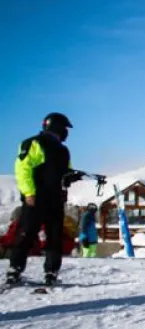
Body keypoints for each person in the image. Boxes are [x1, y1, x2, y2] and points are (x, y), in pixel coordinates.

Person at [6, 113, 85, 287]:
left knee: (55, 237)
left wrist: (73, 176)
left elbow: (64, 173)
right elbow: (23, 169)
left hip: (55, 200)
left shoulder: (63, 150)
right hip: (35, 198)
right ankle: (15, 270)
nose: (66, 133)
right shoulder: (34, 143)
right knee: (26, 233)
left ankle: (51, 272)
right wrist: (29, 193)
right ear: (56, 127)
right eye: (65, 129)